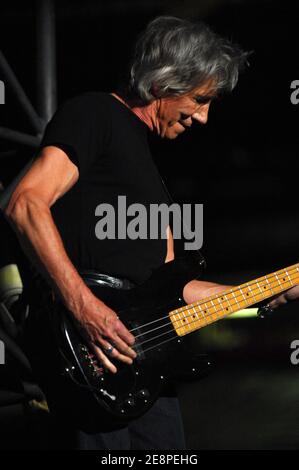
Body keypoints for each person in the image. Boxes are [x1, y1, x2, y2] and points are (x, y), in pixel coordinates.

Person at [3, 16, 267, 450]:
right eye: (200, 99)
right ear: (164, 83)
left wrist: (264, 292)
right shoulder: (94, 114)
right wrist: (85, 307)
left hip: (146, 377)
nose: (204, 117)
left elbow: (173, 290)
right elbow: (26, 203)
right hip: (92, 363)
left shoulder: (150, 170)